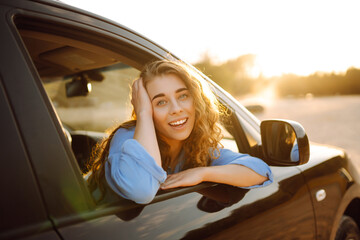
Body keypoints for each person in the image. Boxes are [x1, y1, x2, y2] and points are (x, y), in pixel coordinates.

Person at [87, 59, 273, 204]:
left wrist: (202, 173)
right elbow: (142, 190)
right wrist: (143, 114)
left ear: (195, 100)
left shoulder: (196, 148)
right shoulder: (127, 138)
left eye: (183, 96)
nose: (176, 109)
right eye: (161, 102)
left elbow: (260, 171)